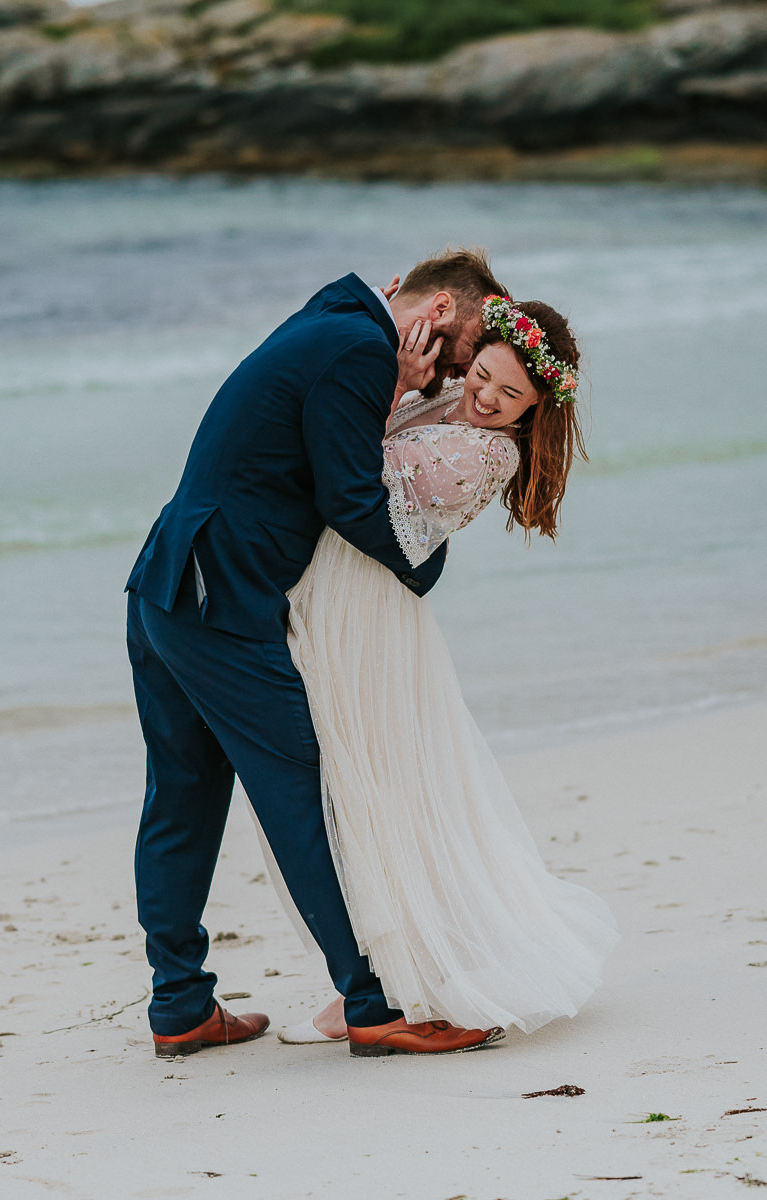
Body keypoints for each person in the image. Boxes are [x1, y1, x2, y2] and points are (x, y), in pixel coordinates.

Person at [126, 249, 512, 1058]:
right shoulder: (356, 350)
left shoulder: (333, 317)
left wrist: (404, 391)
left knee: (183, 797)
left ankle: (180, 1006)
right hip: (220, 595)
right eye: (463, 348)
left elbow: (319, 446)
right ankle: (372, 1005)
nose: (457, 372)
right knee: (304, 789)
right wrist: (426, 563)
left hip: (170, 578)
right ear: (437, 312)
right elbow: (352, 497)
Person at [277, 295, 619, 1049]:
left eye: (510, 397)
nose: (487, 399)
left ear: (533, 412)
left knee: (372, 786)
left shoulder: (487, 453)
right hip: (339, 593)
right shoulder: (445, 398)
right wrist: (405, 376)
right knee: (349, 785)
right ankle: (373, 976)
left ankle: (393, 981)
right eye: (487, 377)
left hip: (366, 608)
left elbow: (350, 472)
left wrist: (390, 387)